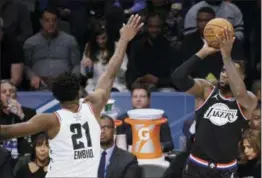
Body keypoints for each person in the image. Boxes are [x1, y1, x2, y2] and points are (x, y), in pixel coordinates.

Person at [0, 14, 143, 178]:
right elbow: (110, 73)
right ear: (78, 91)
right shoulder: (93, 108)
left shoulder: (51, 120)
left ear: (56, 96)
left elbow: (6, 132)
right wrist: (124, 40)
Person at [171, 28, 257, 178]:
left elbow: (239, 93)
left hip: (225, 169)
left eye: (231, 72)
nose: (225, 74)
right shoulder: (206, 90)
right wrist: (203, 53)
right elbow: (178, 78)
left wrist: (226, 57)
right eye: (223, 70)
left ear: (242, 78)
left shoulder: (248, 99)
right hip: (196, 166)